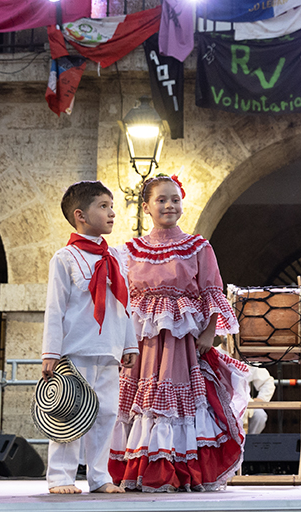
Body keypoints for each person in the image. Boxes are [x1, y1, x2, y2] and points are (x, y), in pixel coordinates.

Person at [109, 174, 250, 492]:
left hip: (180, 340)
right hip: (143, 341)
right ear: (146, 206)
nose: (169, 205)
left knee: (174, 400)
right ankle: (138, 467)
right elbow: (124, 300)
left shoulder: (198, 246)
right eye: (161, 199)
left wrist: (208, 334)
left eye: (175, 199)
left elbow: (213, 291)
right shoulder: (131, 250)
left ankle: (174, 468)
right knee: (138, 400)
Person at [41, 180, 139, 494]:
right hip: (76, 350)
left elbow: (123, 304)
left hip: (108, 350)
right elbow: (55, 309)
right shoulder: (65, 258)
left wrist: (129, 342)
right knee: (70, 411)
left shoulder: (117, 258)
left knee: (106, 414)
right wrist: (50, 353)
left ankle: (99, 476)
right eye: (104, 206)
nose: (112, 213)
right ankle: (60, 477)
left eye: (112, 206)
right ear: (81, 215)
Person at [245, 365, 276, 435]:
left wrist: (262, 398)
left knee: (260, 415)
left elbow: (267, 381)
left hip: (244, 403)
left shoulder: (244, 361)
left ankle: (250, 441)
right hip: (218, 402)